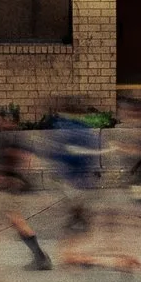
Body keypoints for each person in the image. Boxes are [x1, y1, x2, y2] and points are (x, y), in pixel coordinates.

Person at [0, 110, 52, 270]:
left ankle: (40, 257)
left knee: (14, 220)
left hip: (11, 186)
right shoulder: (3, 137)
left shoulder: (12, 137)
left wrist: (11, 176)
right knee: (13, 220)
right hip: (8, 186)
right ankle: (40, 257)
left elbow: (25, 157)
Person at [47, 97, 101, 236]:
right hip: (78, 170)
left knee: (73, 198)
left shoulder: (64, 128)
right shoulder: (83, 129)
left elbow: (60, 149)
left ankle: (78, 219)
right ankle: (79, 219)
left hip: (71, 170)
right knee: (76, 198)